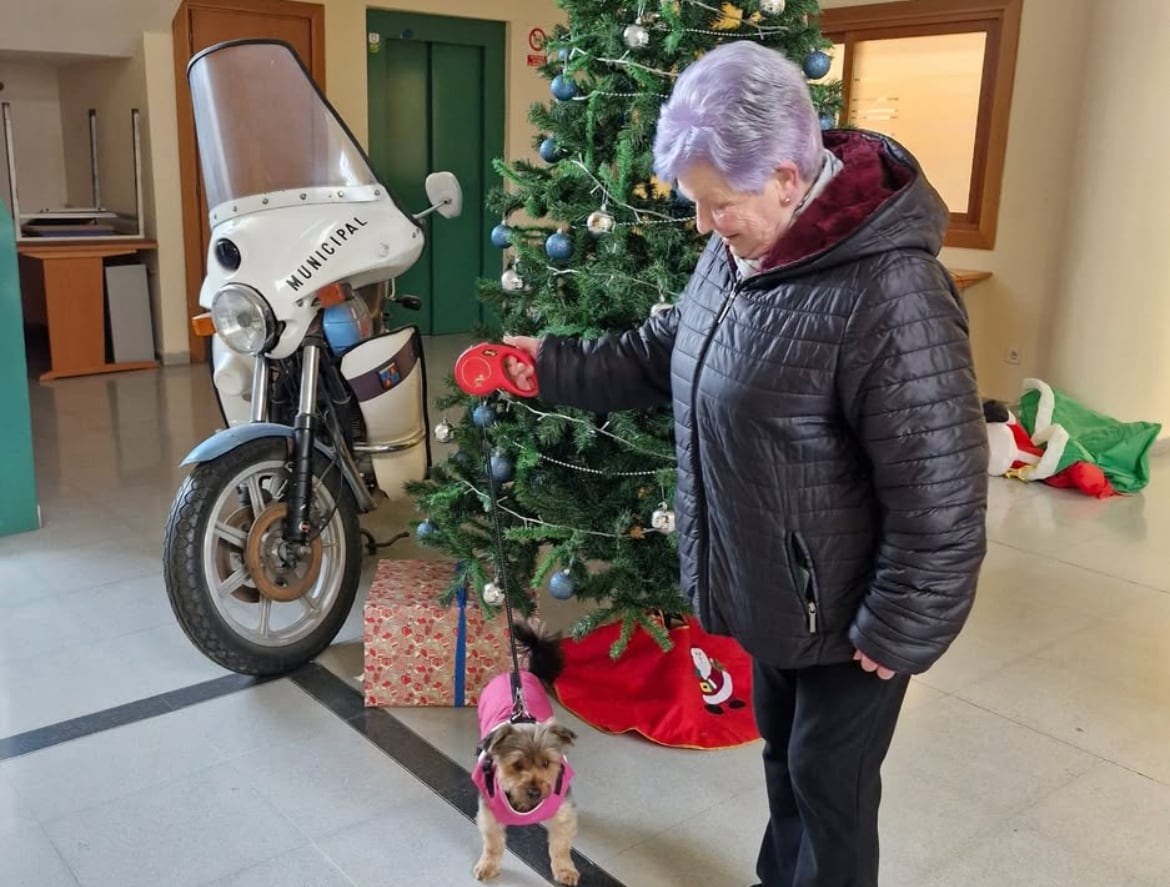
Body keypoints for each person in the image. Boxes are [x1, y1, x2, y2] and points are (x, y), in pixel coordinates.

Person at [503, 40, 988, 887]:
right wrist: (549, 365)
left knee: (829, 784)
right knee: (785, 764)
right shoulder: (742, 251)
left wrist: (900, 625)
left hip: (856, 616)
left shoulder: (893, 293)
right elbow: (666, 351)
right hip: (778, 587)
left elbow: (942, 491)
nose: (702, 223)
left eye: (716, 202)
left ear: (788, 180)